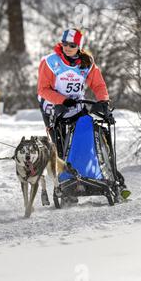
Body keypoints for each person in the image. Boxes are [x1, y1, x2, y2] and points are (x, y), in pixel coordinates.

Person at [37, 28, 130, 200]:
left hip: (77, 106)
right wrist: (61, 101)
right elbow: (42, 89)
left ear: (78, 46)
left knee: (92, 136)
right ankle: (66, 188)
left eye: (72, 45)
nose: (67, 47)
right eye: (64, 44)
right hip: (53, 108)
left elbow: (98, 85)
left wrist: (103, 101)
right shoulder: (50, 62)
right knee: (61, 147)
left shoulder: (86, 63)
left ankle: (114, 179)